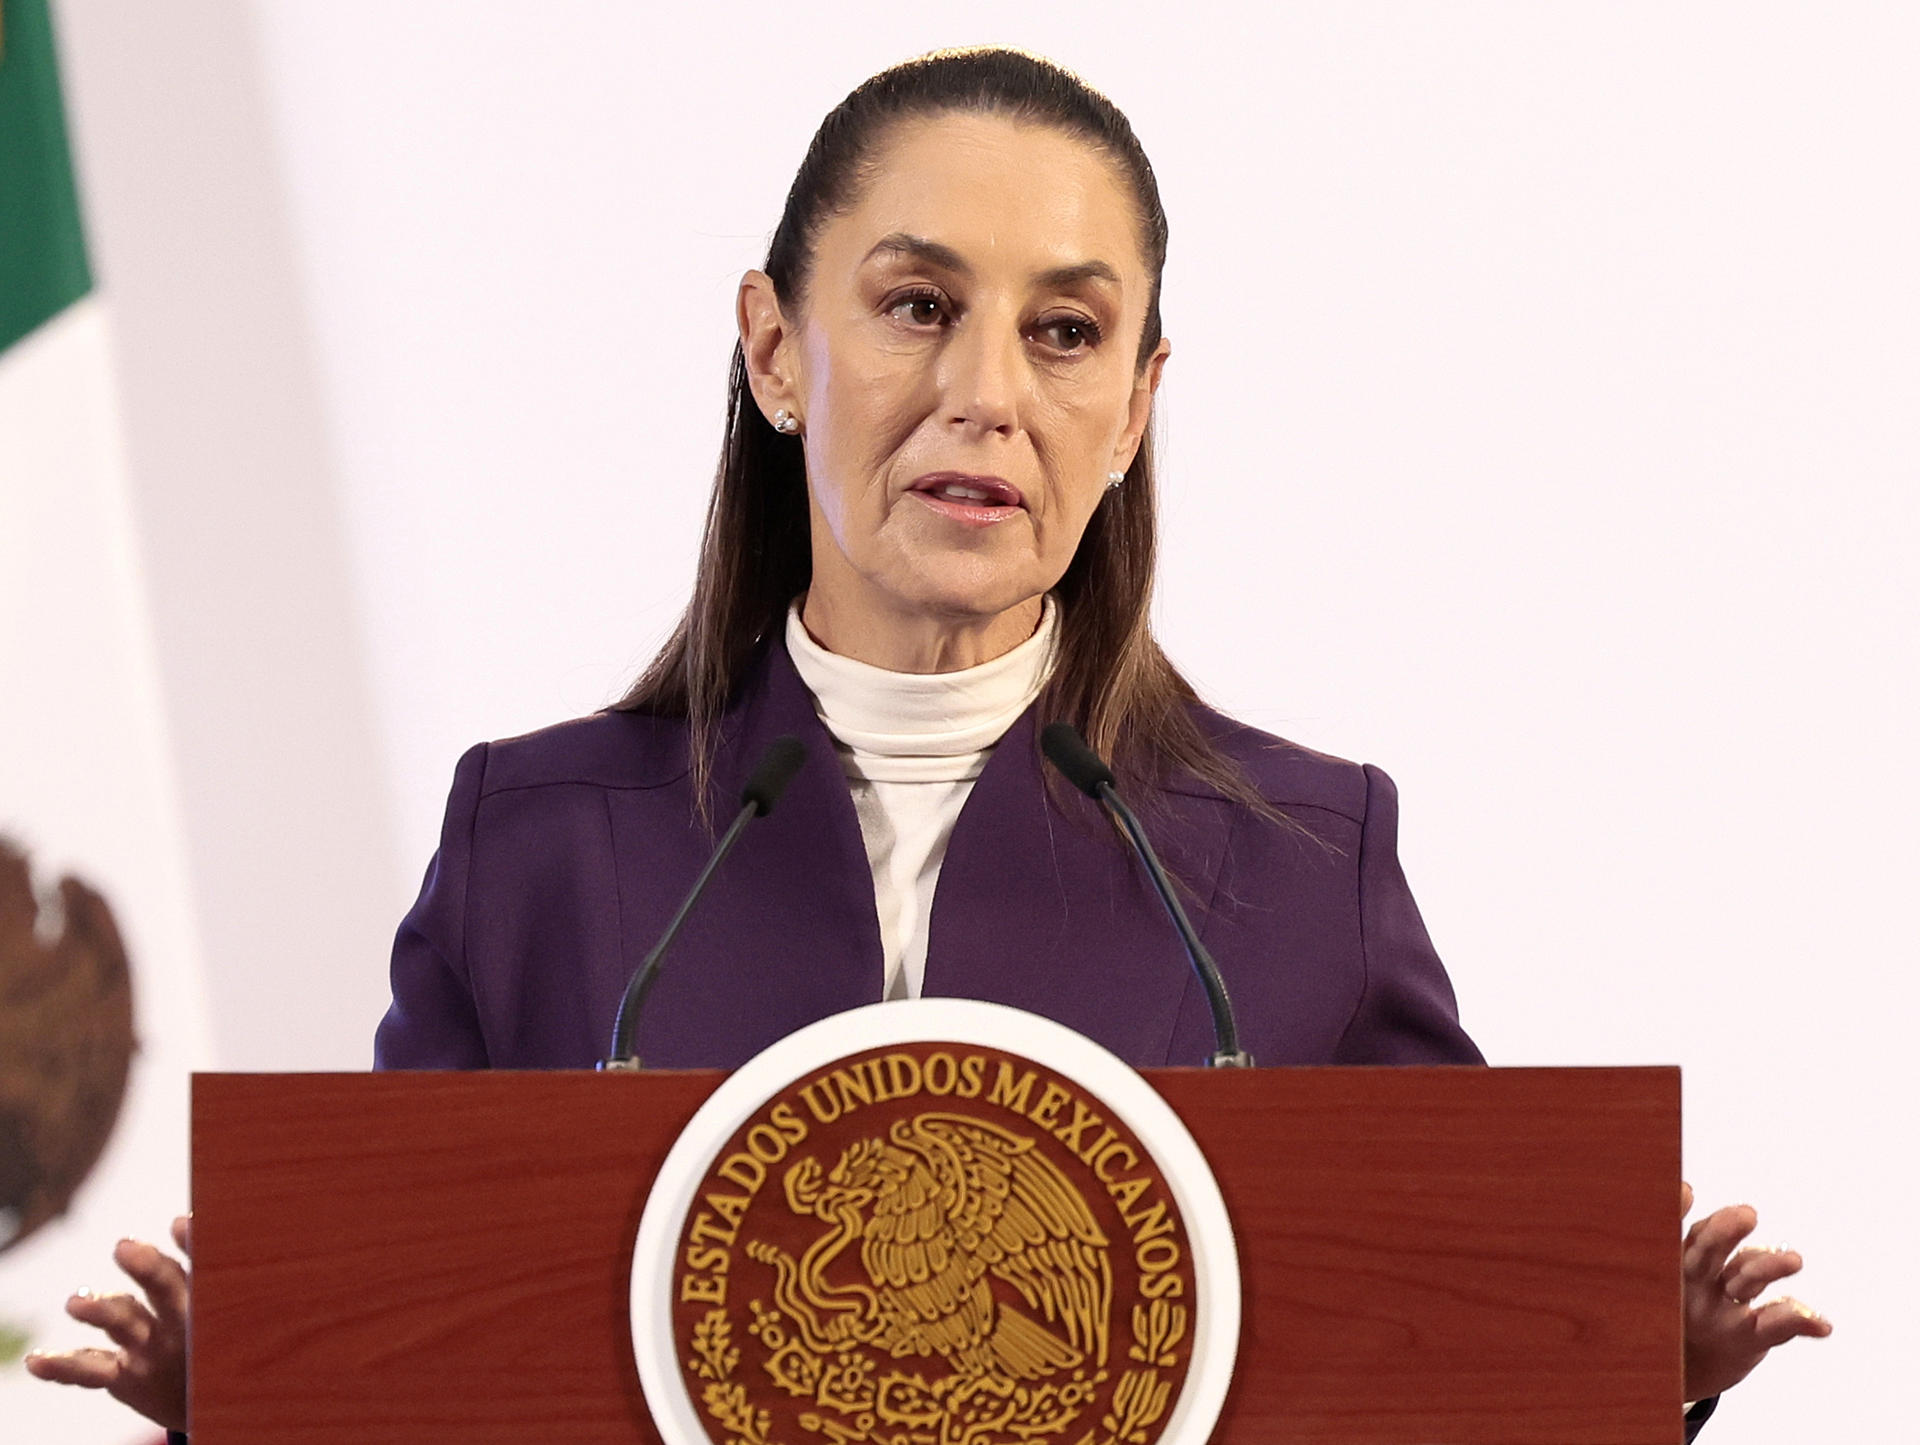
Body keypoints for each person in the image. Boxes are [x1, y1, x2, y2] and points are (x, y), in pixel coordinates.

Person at [26, 47, 1827, 1442]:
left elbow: (1447, 1342)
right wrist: (243, 1385)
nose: (988, 389)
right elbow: (423, 1335)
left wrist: (1635, 1357)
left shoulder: (1296, 860)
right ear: (775, 347)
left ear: (1135, 403)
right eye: (915, 304)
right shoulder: (544, 846)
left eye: (1064, 331)